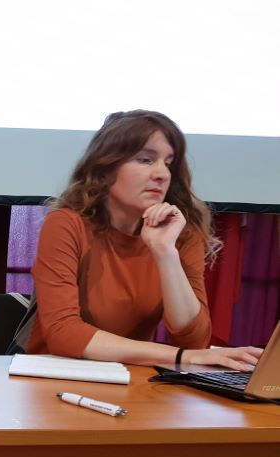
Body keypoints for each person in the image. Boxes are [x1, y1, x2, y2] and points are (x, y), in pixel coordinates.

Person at [27, 109, 262, 369]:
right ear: (104, 170)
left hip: (131, 378)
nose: (162, 174)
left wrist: (165, 253)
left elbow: (194, 342)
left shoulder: (180, 234)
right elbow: (63, 333)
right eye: (146, 160)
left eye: (168, 163)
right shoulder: (66, 224)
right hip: (57, 373)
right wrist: (179, 357)